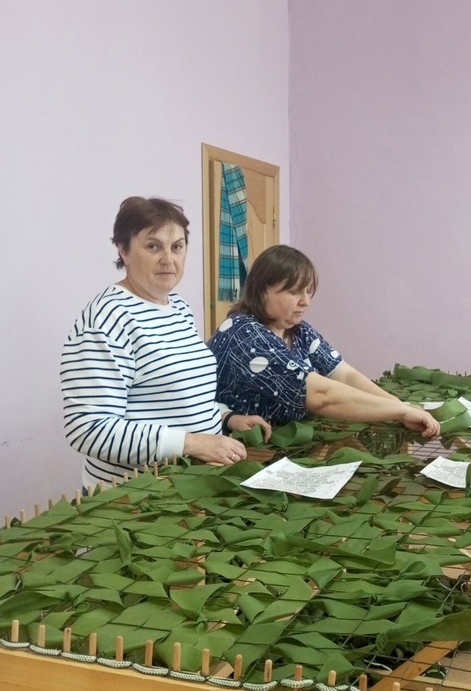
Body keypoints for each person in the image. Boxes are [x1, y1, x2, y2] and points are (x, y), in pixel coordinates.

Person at [61, 197, 271, 490]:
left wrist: (227, 418)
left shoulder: (178, 308)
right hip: (134, 496)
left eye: (177, 247)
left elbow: (181, 395)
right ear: (123, 250)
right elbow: (88, 429)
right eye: (153, 246)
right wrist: (193, 443)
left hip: (188, 484)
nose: (168, 259)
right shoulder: (107, 319)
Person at [208, 245, 441, 438]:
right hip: (235, 445)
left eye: (308, 291)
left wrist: (400, 405)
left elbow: (343, 374)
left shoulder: (296, 329)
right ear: (262, 292)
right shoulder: (246, 334)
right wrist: (399, 412)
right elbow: (321, 396)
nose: (305, 301)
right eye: (294, 292)